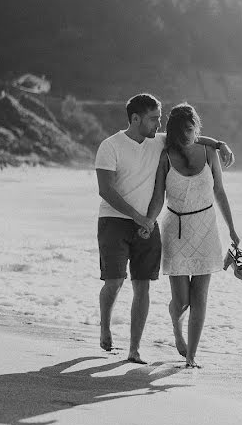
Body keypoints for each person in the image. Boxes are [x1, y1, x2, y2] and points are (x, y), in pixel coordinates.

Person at [94, 93, 234, 364]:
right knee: (114, 282)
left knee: (142, 286)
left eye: (160, 119)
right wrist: (139, 217)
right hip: (114, 221)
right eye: (153, 119)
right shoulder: (110, 146)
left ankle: (134, 349)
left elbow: (192, 138)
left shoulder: (158, 141)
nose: (159, 124)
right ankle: (105, 327)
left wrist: (220, 144)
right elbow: (105, 190)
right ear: (135, 119)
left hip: (147, 223)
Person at [147, 103, 242, 369]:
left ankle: (192, 356)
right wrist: (146, 223)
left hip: (206, 228)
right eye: (182, 132)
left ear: (196, 128)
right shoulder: (165, 156)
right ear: (174, 133)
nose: (187, 136)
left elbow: (220, 192)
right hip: (175, 231)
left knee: (200, 297)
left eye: (191, 130)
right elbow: (158, 198)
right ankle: (176, 328)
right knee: (182, 301)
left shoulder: (210, 152)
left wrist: (232, 229)